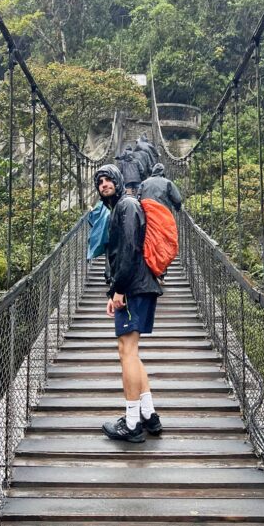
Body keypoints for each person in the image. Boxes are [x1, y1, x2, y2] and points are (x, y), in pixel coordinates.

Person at [93, 163, 163, 443]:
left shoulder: (127, 206)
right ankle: (148, 415)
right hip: (135, 287)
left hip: (133, 287)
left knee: (126, 352)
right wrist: (115, 290)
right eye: (99, 182)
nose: (104, 184)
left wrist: (118, 290)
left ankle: (132, 424)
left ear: (120, 181)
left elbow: (131, 249)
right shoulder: (119, 208)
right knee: (131, 351)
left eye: (109, 179)